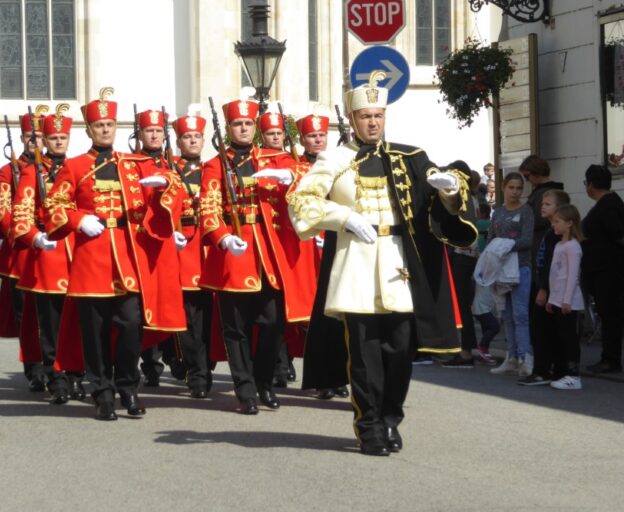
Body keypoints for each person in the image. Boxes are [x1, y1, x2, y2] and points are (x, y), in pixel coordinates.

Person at [288, 72, 477, 455]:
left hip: (397, 264)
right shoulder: (334, 159)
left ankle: (391, 416)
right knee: (363, 353)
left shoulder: (409, 156)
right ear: (352, 119)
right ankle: (369, 426)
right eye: (365, 116)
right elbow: (300, 199)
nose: (372, 122)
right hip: (356, 262)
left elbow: (448, 186)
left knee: (399, 350)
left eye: (378, 115)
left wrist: (450, 189)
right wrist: (341, 217)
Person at [45, 87, 186, 421]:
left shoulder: (134, 164)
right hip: (92, 257)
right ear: (89, 130)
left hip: (127, 254)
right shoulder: (75, 167)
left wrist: (165, 186)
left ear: (116, 127)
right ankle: (102, 392)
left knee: (130, 324)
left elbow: (172, 182)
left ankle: (129, 387)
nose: (105, 130)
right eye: (99, 125)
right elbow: (54, 204)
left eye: (109, 124)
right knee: (93, 332)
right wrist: (79, 220)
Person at [199, 93, 316, 415]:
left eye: (248, 123)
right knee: (235, 328)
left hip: (270, 251)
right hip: (236, 252)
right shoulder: (215, 165)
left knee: (272, 322)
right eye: (237, 124)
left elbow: (311, 181)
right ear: (228, 128)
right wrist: (221, 237)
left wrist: (291, 177)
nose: (244, 129)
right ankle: (245, 389)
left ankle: (264, 381)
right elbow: (207, 205)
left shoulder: (276, 159)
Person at [11, 103, 84, 404]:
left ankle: (78, 375)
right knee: (51, 322)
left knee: (79, 321)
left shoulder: (79, 167)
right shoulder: (31, 172)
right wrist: (35, 237)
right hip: (49, 253)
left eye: (62, 138)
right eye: (52, 138)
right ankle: (56, 379)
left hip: (78, 253)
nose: (57, 143)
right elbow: (21, 213)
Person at [292, 112, 349, 400]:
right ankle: (319, 376)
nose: (318, 139)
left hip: (336, 241)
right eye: (312, 136)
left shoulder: (339, 163)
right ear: (302, 139)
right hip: (306, 243)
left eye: (321, 135)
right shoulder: (294, 168)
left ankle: (339, 376)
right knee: (313, 314)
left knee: (338, 311)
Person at [0, 106, 46, 389]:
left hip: (52, 248)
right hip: (21, 253)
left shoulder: (55, 167)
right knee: (27, 316)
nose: (34, 141)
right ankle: (35, 368)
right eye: (29, 135)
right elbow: (2, 211)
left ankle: (60, 364)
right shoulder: (8, 170)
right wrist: (27, 231)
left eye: (39, 135)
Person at [134, 108, 184, 386]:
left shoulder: (174, 164)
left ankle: (175, 356)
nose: (154, 135)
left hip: (170, 244)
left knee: (170, 301)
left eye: (158, 131)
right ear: (140, 135)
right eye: (149, 131)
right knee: (143, 304)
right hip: (142, 242)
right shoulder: (130, 165)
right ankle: (149, 362)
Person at [169, 105, 215, 398]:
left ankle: (205, 365)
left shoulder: (213, 169)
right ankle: (194, 370)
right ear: (179, 141)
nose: (193, 141)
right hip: (182, 246)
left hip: (208, 245)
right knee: (186, 315)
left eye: (197, 136)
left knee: (208, 315)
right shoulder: (169, 169)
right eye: (187, 137)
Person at [519, 189, 570, 385]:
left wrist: (543, 288)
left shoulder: (556, 235)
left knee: (544, 329)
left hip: (549, 289)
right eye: (542, 203)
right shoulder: (550, 232)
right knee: (541, 328)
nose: (542, 206)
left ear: (559, 209)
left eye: (548, 204)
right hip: (543, 285)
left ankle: (544, 370)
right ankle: (547, 369)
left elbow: (551, 265)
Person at [488, 173, 534, 377]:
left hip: (521, 266)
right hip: (501, 268)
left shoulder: (527, 211)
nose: (515, 192)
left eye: (519, 188)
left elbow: (527, 239)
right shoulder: (497, 212)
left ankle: (526, 357)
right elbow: (490, 237)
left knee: (520, 313)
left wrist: (504, 245)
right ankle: (512, 357)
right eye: (511, 188)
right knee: (506, 314)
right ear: (504, 188)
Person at [581, 165, 624, 374]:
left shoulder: (607, 206)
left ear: (591, 184)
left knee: (609, 314)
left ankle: (611, 358)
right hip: (605, 268)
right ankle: (610, 357)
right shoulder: (610, 203)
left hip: (607, 269)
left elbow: (616, 234)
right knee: (608, 314)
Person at [441, 163, 482, 369]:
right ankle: (467, 347)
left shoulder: (463, 199)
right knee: (462, 302)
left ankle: (465, 351)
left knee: (460, 303)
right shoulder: (471, 198)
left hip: (462, 253)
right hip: (467, 254)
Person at [545, 204, 585, 390]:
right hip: (557, 299)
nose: (554, 225)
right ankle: (561, 371)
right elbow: (555, 275)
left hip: (568, 302)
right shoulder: (559, 245)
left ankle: (573, 375)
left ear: (569, 223)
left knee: (569, 339)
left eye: (557, 222)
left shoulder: (572, 247)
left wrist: (567, 299)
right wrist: (552, 298)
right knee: (559, 337)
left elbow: (572, 275)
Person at [471, 202, 499, 365]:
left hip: (480, 306)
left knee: (488, 327)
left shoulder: (476, 225)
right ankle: (483, 348)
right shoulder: (491, 225)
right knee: (494, 327)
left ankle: (483, 349)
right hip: (483, 306)